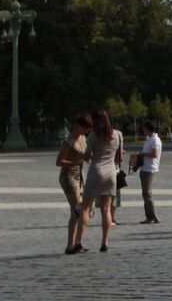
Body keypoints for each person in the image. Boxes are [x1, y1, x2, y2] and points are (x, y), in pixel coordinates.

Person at [79, 109, 122, 252]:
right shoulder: (116, 134)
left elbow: (86, 155)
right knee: (106, 209)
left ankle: (78, 240)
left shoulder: (94, 135)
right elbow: (119, 157)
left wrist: (84, 156)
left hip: (96, 172)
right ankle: (105, 242)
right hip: (111, 174)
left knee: (85, 208)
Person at [56, 113, 91, 254]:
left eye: (88, 129)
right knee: (78, 209)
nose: (86, 131)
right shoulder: (68, 142)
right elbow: (59, 162)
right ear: (77, 126)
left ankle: (73, 245)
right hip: (68, 176)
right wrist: (75, 162)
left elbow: (85, 155)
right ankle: (73, 244)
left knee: (75, 212)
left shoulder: (83, 139)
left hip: (80, 175)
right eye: (84, 128)